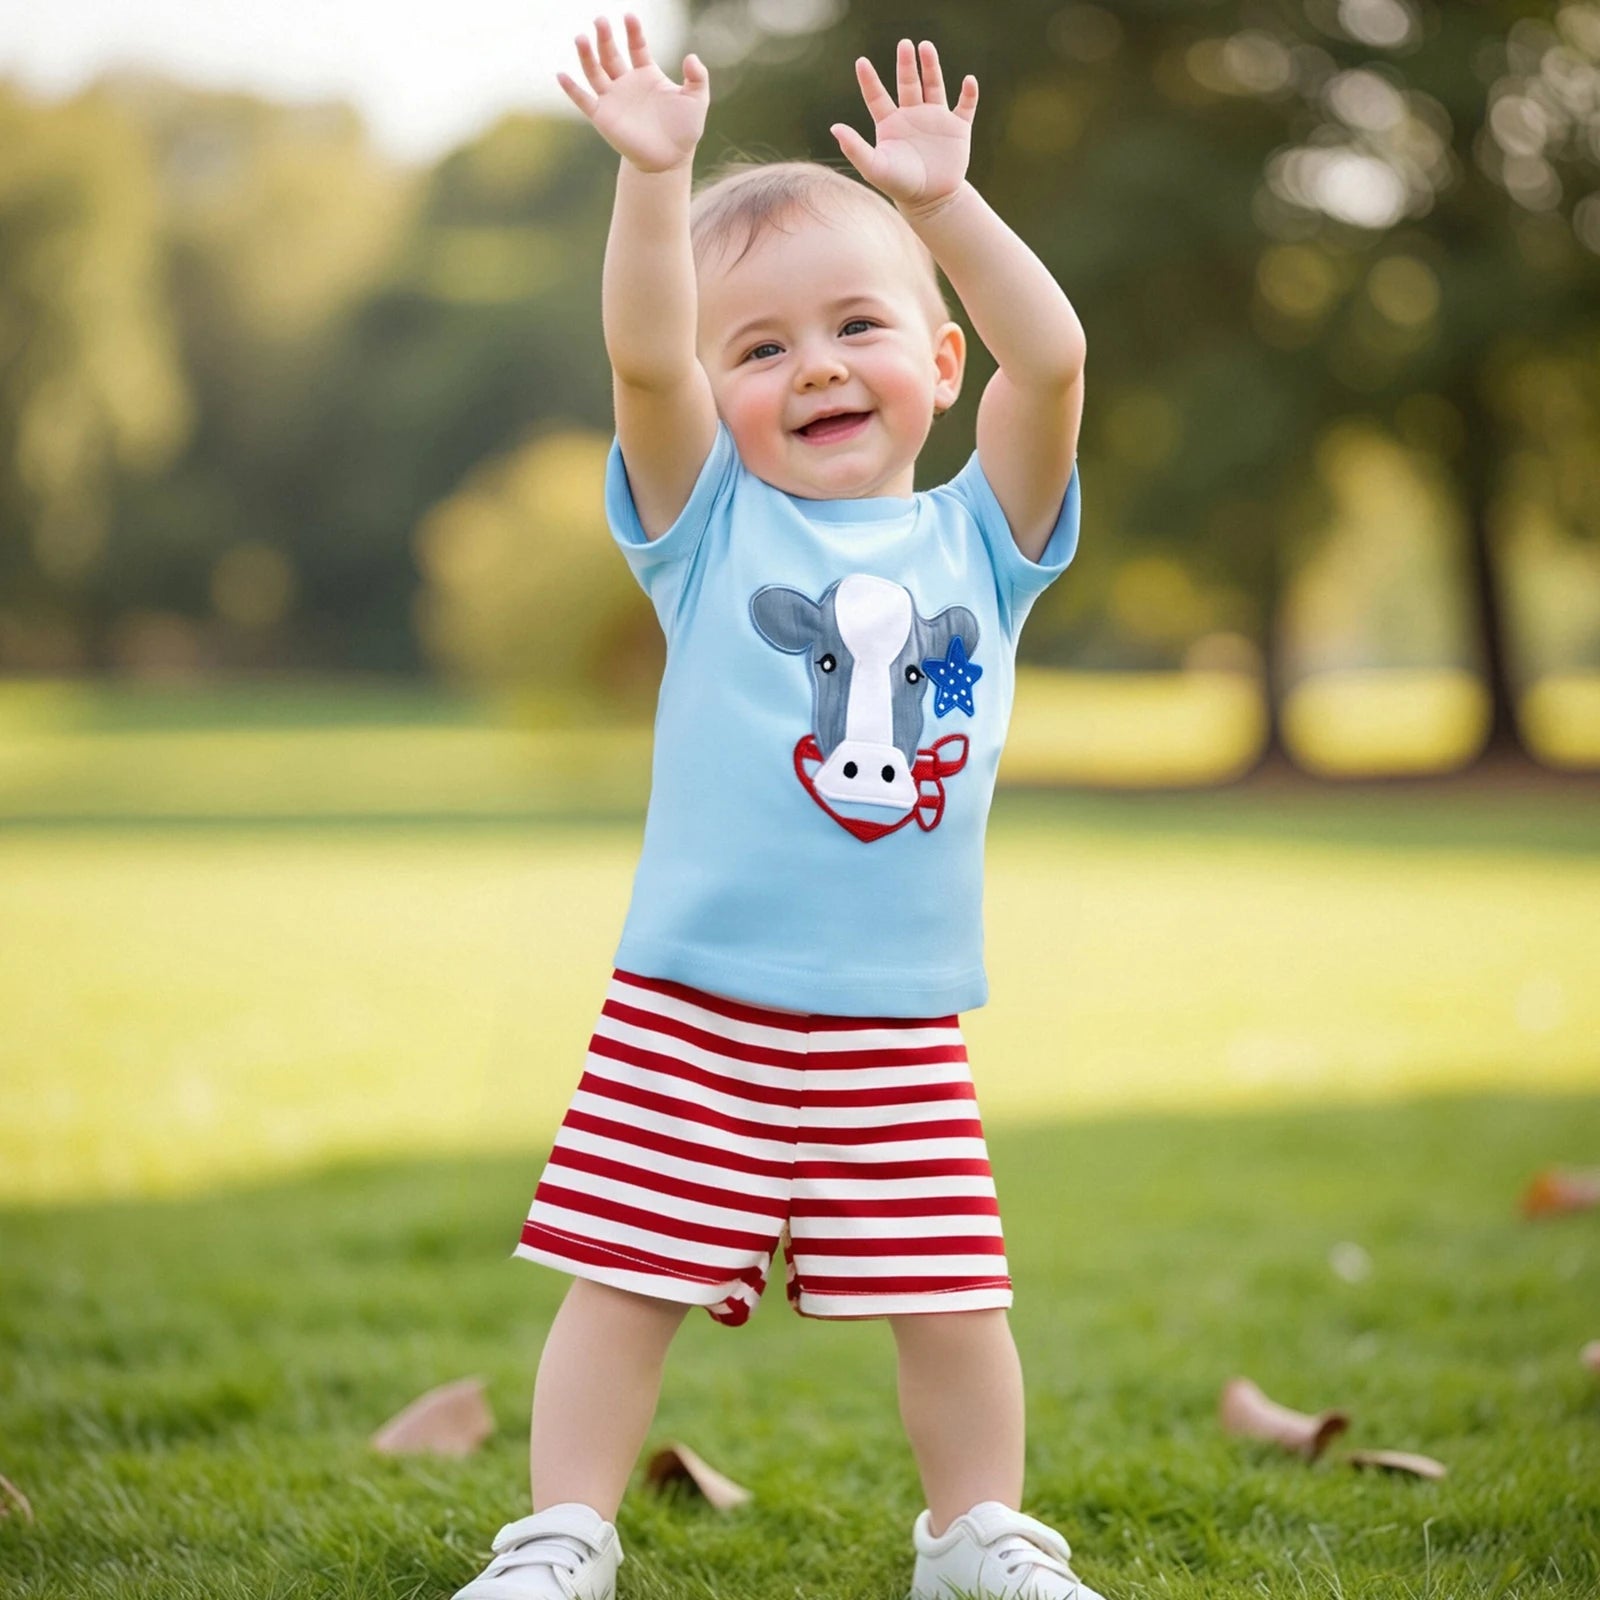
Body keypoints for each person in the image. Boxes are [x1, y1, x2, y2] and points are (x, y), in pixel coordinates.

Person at [452, 13, 1098, 1599]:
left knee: (953, 1300)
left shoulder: (982, 546)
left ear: (939, 367)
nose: (813, 365)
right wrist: (654, 184)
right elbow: (646, 354)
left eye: (858, 326)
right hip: (695, 1007)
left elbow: (1056, 357)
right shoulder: (709, 529)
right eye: (764, 349)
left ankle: (974, 1537)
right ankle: (562, 1537)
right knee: (622, 1285)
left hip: (895, 1017)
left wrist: (943, 210)